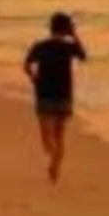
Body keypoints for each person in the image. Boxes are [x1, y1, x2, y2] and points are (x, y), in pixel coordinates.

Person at [22, 13, 86, 186]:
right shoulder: (68, 47)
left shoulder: (41, 46)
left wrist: (35, 80)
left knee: (46, 137)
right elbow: (83, 56)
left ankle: (54, 161)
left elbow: (26, 65)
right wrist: (74, 36)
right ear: (66, 29)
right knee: (60, 135)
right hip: (64, 94)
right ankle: (56, 166)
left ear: (50, 27)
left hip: (44, 93)